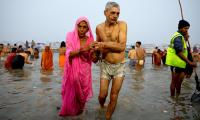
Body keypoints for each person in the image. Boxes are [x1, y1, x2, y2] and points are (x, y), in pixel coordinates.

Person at [93, 2, 127, 120]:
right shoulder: (99, 28)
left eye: (117, 13)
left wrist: (104, 44)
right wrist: (95, 55)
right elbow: (97, 47)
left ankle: (107, 118)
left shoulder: (122, 25)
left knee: (114, 95)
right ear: (105, 13)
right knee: (102, 95)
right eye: (112, 13)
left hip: (120, 66)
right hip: (106, 65)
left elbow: (122, 47)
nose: (115, 15)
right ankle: (102, 106)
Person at [59, 17, 97, 116]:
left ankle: (80, 112)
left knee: (83, 93)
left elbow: (93, 59)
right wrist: (83, 49)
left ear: (88, 29)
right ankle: (71, 111)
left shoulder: (90, 40)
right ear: (76, 26)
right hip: (73, 69)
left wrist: (97, 53)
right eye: (79, 26)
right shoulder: (70, 36)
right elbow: (69, 54)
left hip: (85, 71)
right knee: (73, 89)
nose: (82, 29)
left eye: (85, 27)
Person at [166, 20, 196, 97]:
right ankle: (173, 99)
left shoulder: (182, 37)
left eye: (188, 29)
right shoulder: (178, 37)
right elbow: (179, 52)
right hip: (176, 63)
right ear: (180, 28)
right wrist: (190, 62)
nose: (187, 30)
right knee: (174, 82)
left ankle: (178, 98)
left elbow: (184, 51)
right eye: (185, 28)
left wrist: (185, 39)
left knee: (179, 83)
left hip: (181, 64)